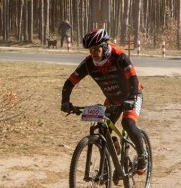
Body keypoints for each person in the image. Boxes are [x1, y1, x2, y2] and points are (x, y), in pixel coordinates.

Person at [61, 28, 148, 174]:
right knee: (102, 128)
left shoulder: (119, 57)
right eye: (91, 50)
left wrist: (131, 99)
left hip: (132, 95)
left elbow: (133, 78)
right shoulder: (88, 64)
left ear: (105, 45)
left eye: (96, 48)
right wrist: (65, 102)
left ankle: (142, 156)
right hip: (112, 99)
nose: (93, 53)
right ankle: (109, 160)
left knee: (127, 123)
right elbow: (70, 82)